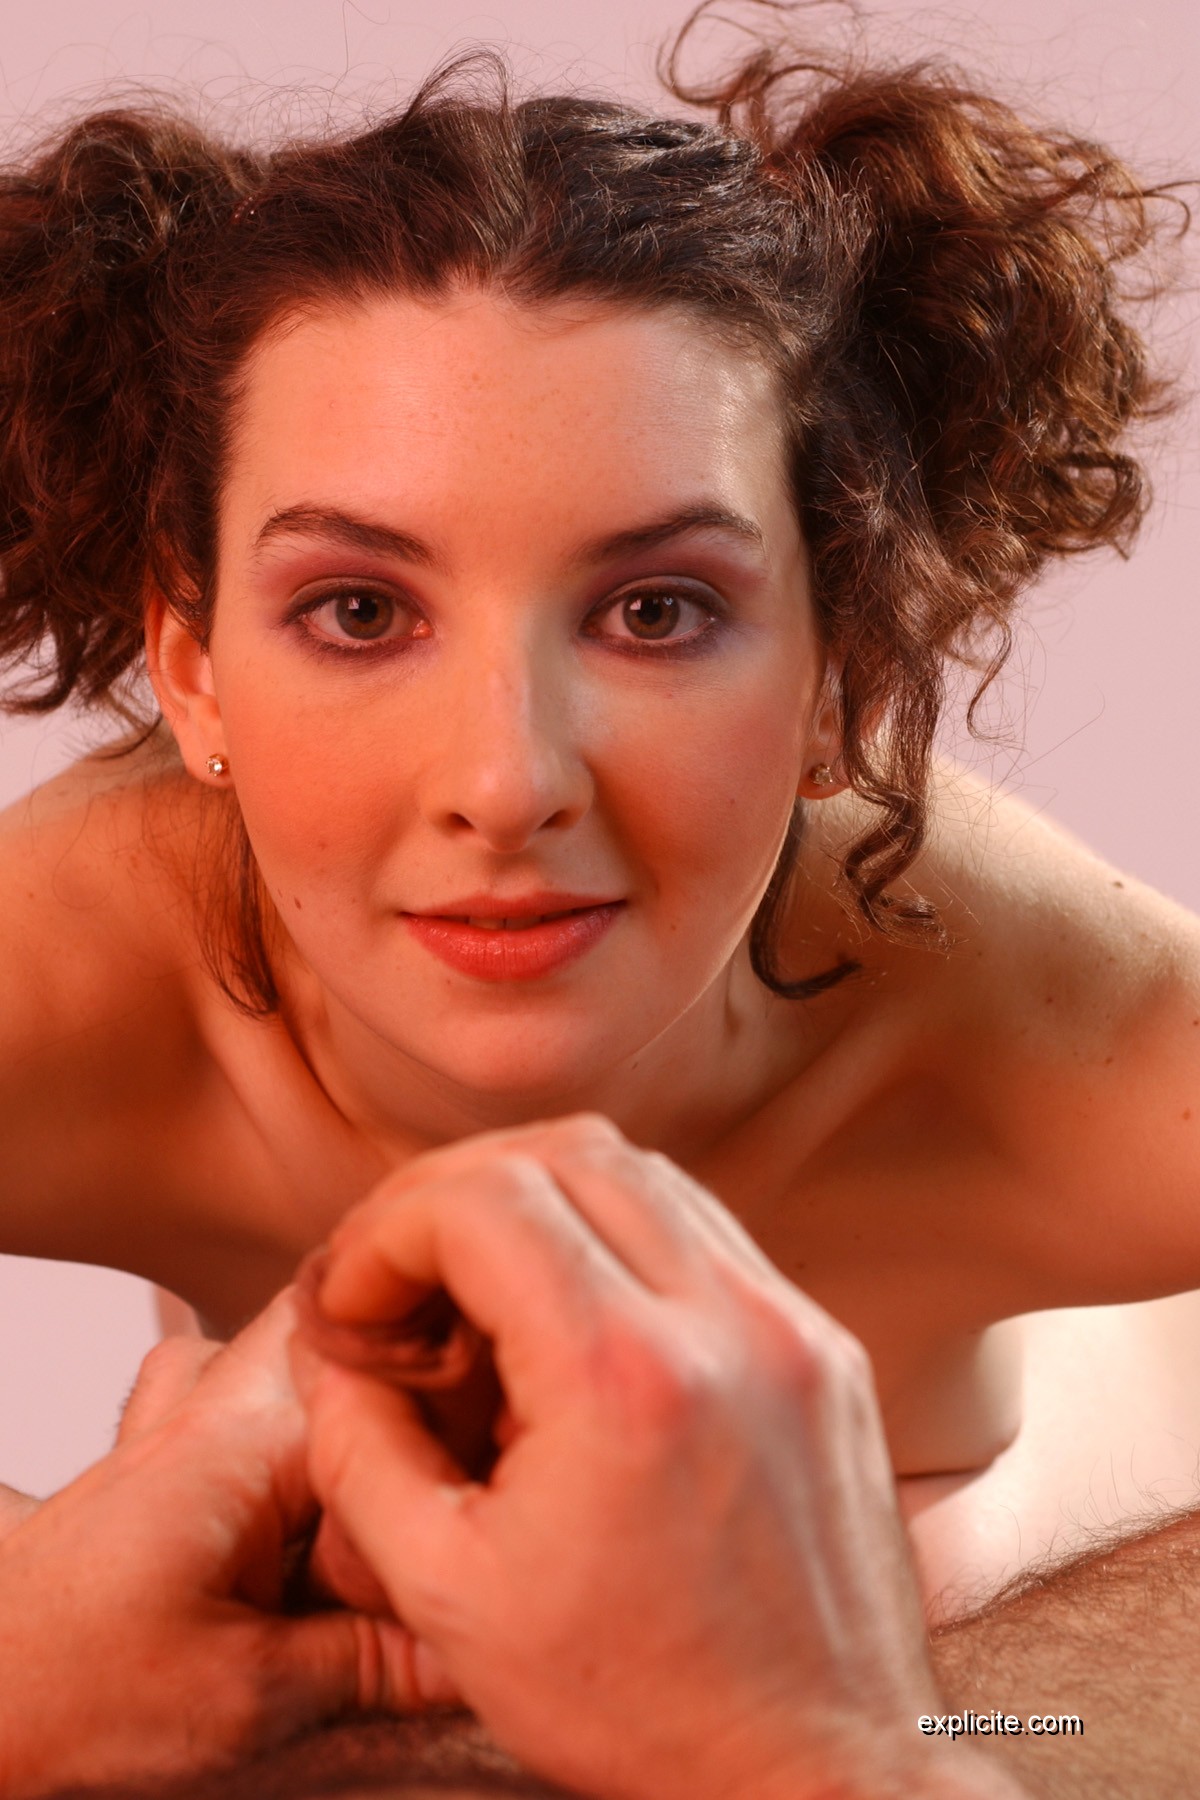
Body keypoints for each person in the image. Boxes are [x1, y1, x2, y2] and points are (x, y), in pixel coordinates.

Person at [0, 0, 1197, 1622]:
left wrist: (961, 1680)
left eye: (653, 613)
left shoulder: (1077, 1053)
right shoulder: (68, 976)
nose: (508, 785)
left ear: (841, 678)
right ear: (193, 674)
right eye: (361, 612)